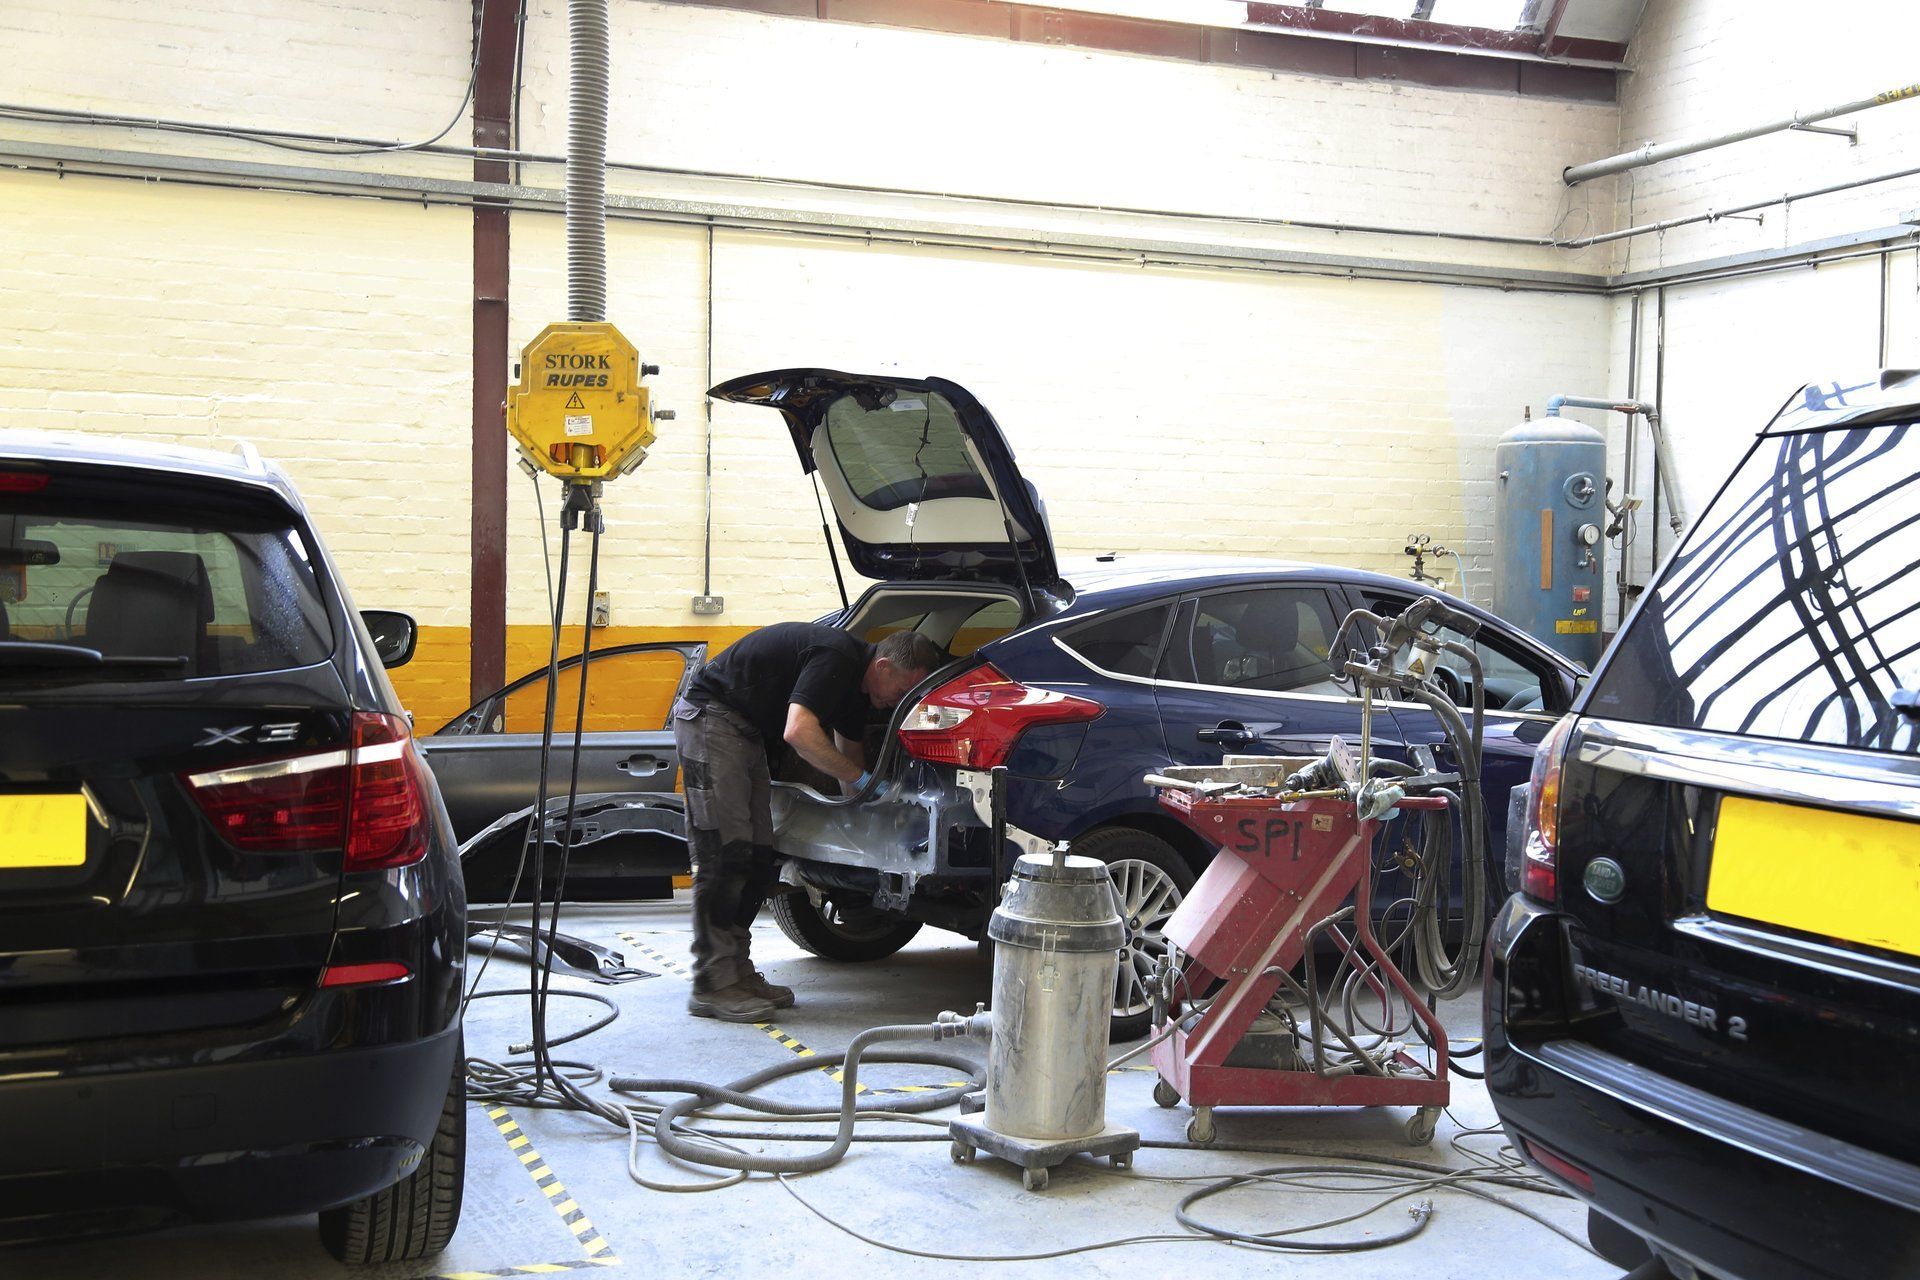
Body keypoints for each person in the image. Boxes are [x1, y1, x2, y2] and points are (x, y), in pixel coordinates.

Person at [671, 623, 944, 1021]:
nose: (899, 702)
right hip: (712, 720)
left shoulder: (861, 692)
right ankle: (712, 983)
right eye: (903, 691)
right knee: (725, 852)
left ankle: (736, 971)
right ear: (883, 666)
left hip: (745, 734)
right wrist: (861, 779)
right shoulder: (836, 656)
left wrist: (868, 810)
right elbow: (799, 730)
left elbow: (847, 751)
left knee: (759, 855)